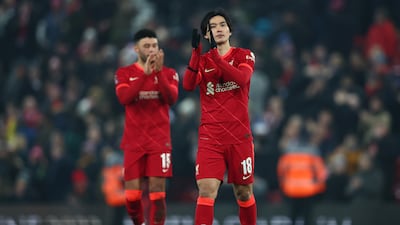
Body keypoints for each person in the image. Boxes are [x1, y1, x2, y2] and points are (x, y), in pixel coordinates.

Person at [183, 8, 257, 225]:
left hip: (239, 137)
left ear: (230, 30)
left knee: (243, 192)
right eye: (212, 27)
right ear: (207, 35)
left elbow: (241, 79)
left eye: (222, 25)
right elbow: (187, 85)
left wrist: (217, 58)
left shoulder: (244, 54)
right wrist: (196, 55)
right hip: (210, 138)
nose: (218, 29)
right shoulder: (203, 61)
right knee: (206, 190)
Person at [114, 28, 179, 225]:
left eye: (154, 46)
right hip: (134, 142)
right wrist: (145, 75)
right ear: (136, 49)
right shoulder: (124, 73)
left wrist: (158, 75)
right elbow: (125, 98)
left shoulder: (169, 73)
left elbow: (171, 98)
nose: (151, 50)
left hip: (159, 142)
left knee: (158, 195)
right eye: (146, 46)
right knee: (132, 197)